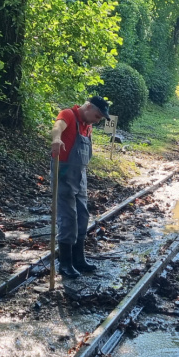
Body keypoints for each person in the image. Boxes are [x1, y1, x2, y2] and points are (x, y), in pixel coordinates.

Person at [49, 95, 110, 279]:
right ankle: (65, 263)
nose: (97, 121)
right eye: (97, 116)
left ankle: (78, 258)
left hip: (80, 175)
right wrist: (56, 139)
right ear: (88, 106)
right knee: (68, 217)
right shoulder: (68, 114)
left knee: (82, 215)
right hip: (64, 173)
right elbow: (57, 126)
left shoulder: (88, 125)